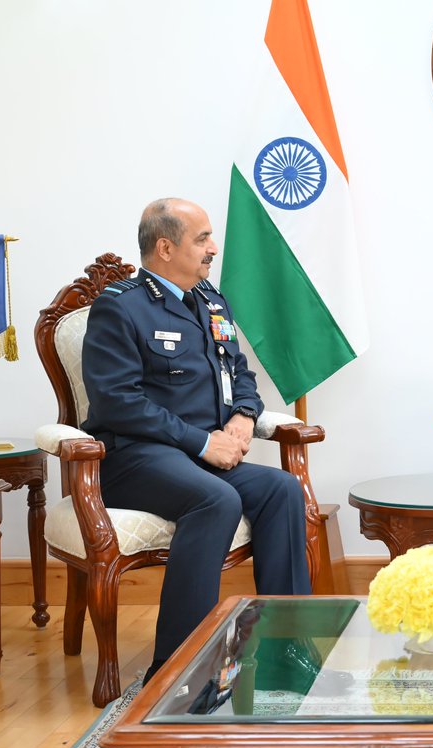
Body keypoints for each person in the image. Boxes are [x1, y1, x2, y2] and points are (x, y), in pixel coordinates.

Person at [81, 197, 313, 686]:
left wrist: (245, 418)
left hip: (201, 456)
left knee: (282, 490)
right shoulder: (119, 306)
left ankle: (285, 647)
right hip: (135, 458)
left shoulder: (210, 299)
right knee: (216, 499)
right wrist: (202, 442)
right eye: (202, 238)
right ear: (165, 247)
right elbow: (117, 401)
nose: (213, 247)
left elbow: (240, 374)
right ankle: (178, 669)